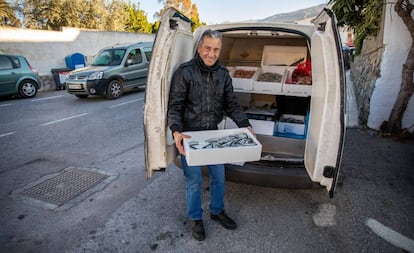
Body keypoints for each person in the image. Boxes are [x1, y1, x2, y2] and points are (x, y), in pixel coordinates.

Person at [167, 29, 254, 241]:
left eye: (216, 49)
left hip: (213, 134)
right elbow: (175, 106)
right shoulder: (185, 72)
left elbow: (231, 104)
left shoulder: (223, 74)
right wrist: (176, 131)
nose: (211, 53)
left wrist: (245, 125)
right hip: (190, 135)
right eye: (207, 48)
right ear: (199, 48)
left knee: (219, 177)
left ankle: (216, 211)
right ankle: (195, 218)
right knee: (194, 180)